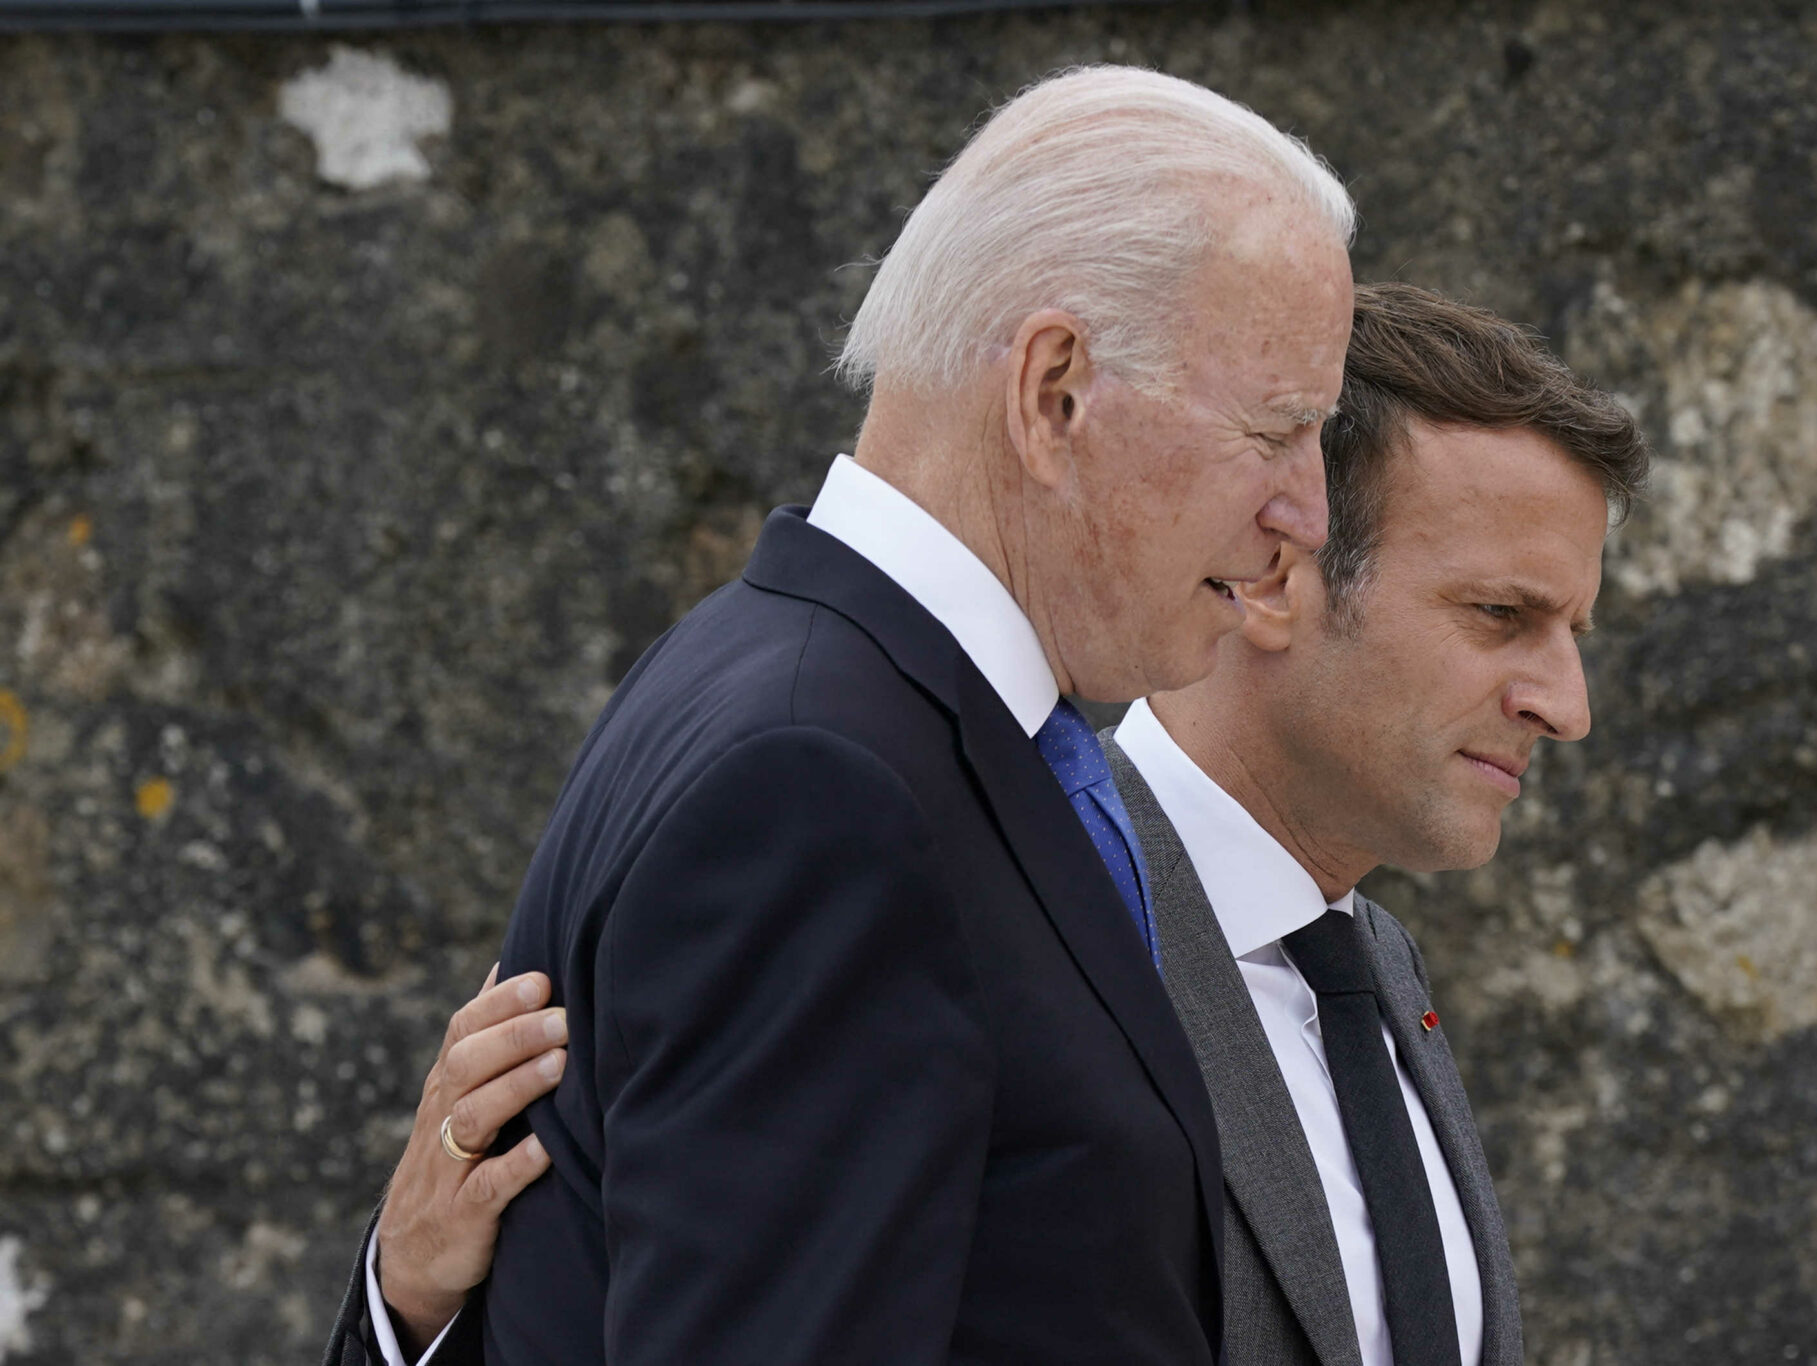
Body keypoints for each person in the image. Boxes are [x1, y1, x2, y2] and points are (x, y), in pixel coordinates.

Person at [339, 283, 1650, 1366]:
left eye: (1571, 632)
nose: (1566, 703)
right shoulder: (957, 892)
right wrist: (408, 1312)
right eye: (1500, 615)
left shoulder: (1372, 976)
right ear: (1278, 569)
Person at [323, 64, 1358, 1366]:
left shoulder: (785, 691)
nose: (1306, 516)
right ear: (1055, 393)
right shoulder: (823, 788)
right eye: (1280, 428)